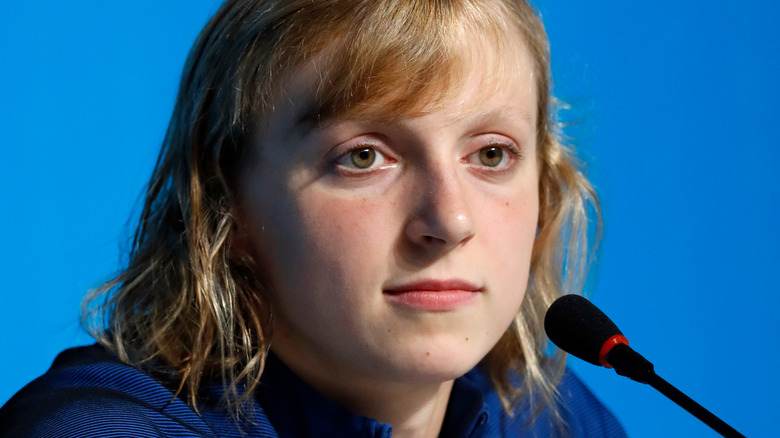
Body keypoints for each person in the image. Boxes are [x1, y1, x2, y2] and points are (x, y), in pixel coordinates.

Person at [0, 0, 626, 436]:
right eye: (363, 156)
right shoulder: (106, 431)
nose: (450, 218)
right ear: (227, 204)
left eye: (491, 154)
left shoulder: (559, 420)